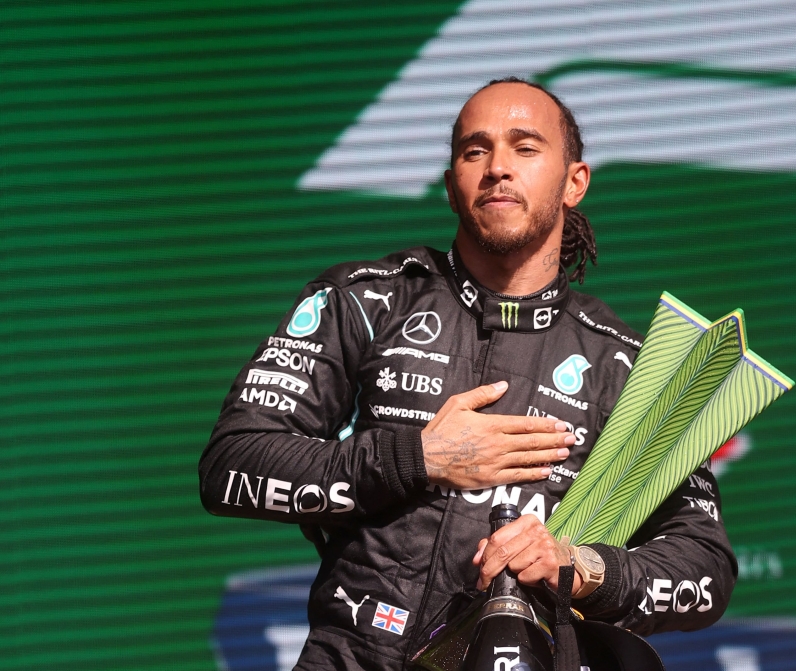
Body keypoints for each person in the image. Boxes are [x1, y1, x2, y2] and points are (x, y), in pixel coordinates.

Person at [199, 77, 737, 670]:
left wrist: (582, 567)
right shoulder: (366, 302)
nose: (498, 168)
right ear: (452, 185)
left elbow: (705, 568)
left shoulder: (631, 369)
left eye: (525, 148)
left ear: (574, 182)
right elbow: (232, 464)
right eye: (474, 150)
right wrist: (415, 457)